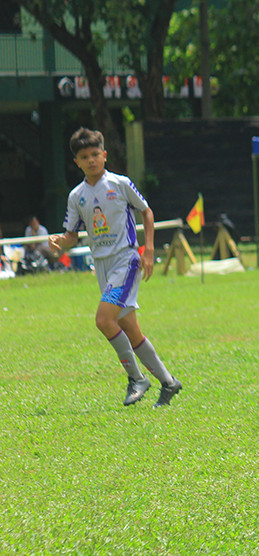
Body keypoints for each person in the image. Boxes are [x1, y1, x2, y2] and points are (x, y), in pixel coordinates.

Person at [48, 127, 182, 407]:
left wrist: (148, 250)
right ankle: (169, 383)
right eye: (85, 157)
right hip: (102, 264)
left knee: (103, 320)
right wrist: (61, 241)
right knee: (129, 328)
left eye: (95, 154)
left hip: (126, 259)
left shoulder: (120, 184)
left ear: (105, 155)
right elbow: (72, 236)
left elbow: (146, 211)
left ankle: (137, 378)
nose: (91, 160)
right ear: (77, 162)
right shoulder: (76, 196)